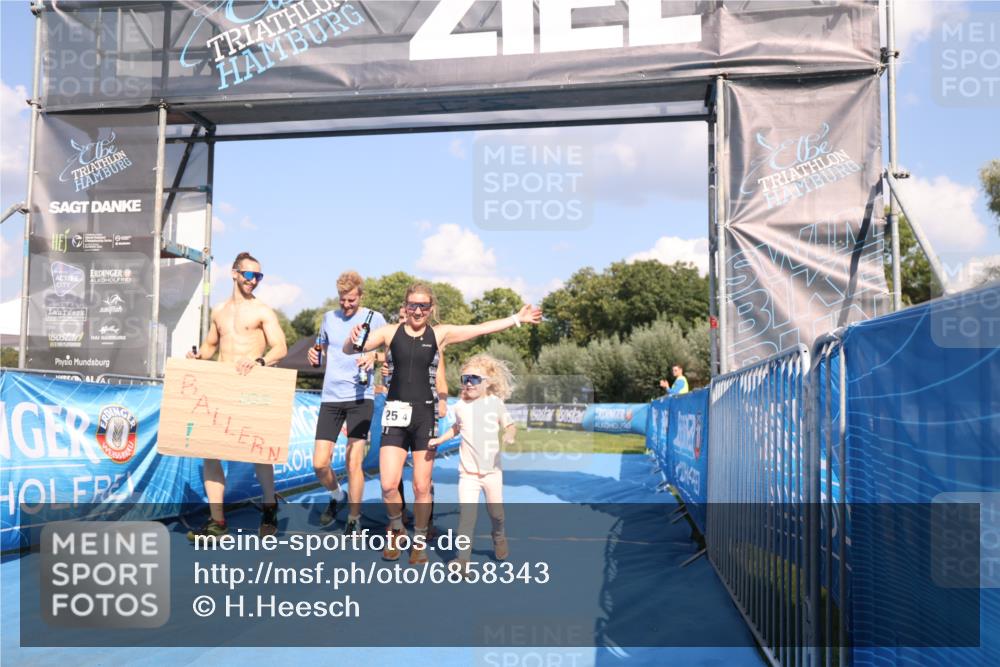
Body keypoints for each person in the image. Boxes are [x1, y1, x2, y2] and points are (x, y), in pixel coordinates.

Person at [345, 283, 541, 564]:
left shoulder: (439, 334)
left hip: (425, 416)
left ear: (431, 308)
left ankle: (420, 539)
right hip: (395, 415)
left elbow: (480, 328)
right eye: (412, 305)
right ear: (405, 306)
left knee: (422, 486)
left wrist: (515, 319)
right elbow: (353, 348)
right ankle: (397, 528)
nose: (417, 310)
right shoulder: (390, 332)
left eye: (423, 306)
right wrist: (351, 341)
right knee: (388, 484)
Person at [186, 251, 288, 540]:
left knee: (260, 454)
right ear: (234, 273)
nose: (253, 281)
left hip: (252, 388)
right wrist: (197, 357)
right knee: (210, 453)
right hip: (221, 388)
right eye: (248, 275)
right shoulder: (218, 311)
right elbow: (209, 347)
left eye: (258, 276)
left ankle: (269, 508)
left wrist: (259, 362)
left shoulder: (263, 311)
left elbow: (280, 347)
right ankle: (217, 522)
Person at [307, 271, 386, 535]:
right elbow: (319, 349)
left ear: (360, 295)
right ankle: (337, 495)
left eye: (351, 300)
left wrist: (374, 356)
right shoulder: (329, 318)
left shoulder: (375, 319)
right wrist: (313, 354)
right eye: (343, 300)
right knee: (319, 463)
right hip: (331, 397)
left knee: (353, 461)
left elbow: (393, 353)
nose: (347, 305)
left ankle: (354, 516)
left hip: (359, 397)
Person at [428, 353, 516, 571]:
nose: (468, 383)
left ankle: (499, 536)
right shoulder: (459, 406)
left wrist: (509, 435)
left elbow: (510, 425)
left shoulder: (495, 403)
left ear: (487, 383)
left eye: (474, 379)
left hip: (492, 473)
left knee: (497, 514)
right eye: (465, 379)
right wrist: (439, 439)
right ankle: (463, 560)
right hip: (467, 474)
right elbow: (456, 428)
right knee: (467, 518)